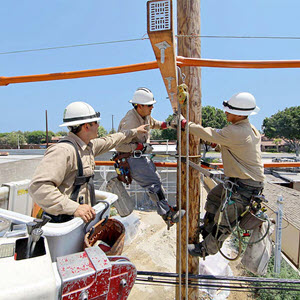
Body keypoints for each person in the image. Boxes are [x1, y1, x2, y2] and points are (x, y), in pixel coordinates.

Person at [170, 92, 265, 257]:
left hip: (245, 186)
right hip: (242, 183)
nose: (225, 112)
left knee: (225, 221)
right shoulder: (246, 128)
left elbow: (210, 133)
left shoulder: (236, 131)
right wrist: (218, 144)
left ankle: (206, 249)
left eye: (229, 110)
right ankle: (207, 230)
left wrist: (184, 123)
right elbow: (234, 146)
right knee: (214, 196)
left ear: (239, 113)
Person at [29, 101, 147, 223]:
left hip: (79, 221)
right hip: (64, 222)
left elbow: (111, 140)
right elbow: (39, 187)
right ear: (86, 126)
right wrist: (75, 208)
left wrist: (134, 131)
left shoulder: (88, 147)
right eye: (96, 123)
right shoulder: (63, 151)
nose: (98, 126)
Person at [114, 87, 185, 228]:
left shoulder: (143, 115)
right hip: (131, 159)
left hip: (140, 157)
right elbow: (119, 146)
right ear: (139, 106)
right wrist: (138, 147)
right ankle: (167, 215)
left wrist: (170, 124)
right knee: (153, 184)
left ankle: (167, 211)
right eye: (149, 105)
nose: (152, 107)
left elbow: (154, 124)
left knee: (156, 183)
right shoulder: (131, 122)